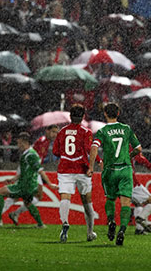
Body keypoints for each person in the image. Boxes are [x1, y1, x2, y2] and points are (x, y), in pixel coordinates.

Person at [87, 102, 141, 246]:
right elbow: (138, 148)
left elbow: (94, 148)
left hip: (110, 170)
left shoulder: (102, 131)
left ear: (105, 114)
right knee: (125, 203)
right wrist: (129, 155)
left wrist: (91, 167)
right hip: (125, 169)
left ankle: (111, 221)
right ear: (118, 113)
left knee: (110, 199)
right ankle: (122, 230)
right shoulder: (126, 129)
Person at [52, 104, 97, 243]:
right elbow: (89, 149)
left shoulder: (62, 131)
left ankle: (65, 223)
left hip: (65, 168)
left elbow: (55, 152)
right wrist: (94, 164)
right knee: (86, 200)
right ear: (83, 116)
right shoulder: (86, 132)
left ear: (70, 116)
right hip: (81, 169)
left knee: (65, 197)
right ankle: (90, 232)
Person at [0, 132, 45, 228]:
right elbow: (27, 170)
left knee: (0, 193)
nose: (17, 145)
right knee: (28, 201)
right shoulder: (32, 150)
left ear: (23, 142)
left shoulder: (30, 154)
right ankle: (40, 224)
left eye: (18, 143)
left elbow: (39, 170)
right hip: (29, 180)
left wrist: (50, 183)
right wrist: (14, 178)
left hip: (27, 182)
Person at [130, 152, 151, 235]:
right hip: (131, 182)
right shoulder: (129, 144)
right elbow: (140, 158)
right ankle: (141, 218)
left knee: (138, 204)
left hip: (118, 182)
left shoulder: (114, 145)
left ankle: (139, 229)